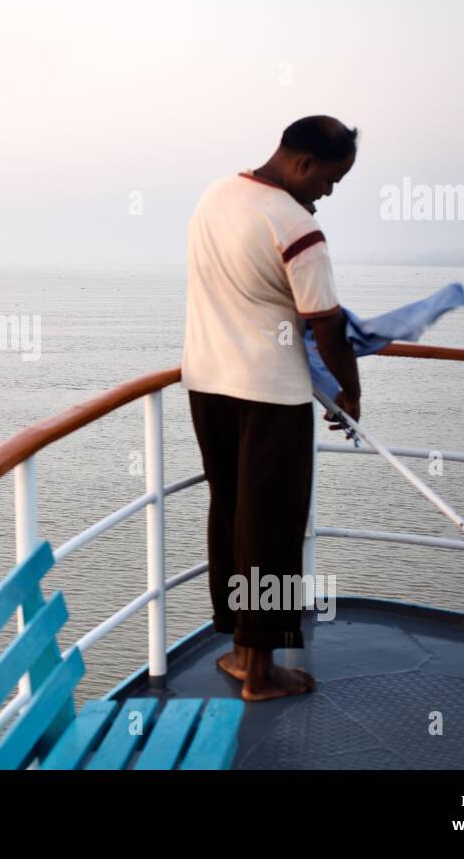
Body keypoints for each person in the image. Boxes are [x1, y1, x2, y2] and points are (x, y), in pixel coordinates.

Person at [181, 115, 362, 701]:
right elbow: (327, 326)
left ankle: (239, 652)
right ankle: (260, 675)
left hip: (208, 385)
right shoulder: (296, 226)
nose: (328, 194)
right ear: (305, 163)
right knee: (273, 532)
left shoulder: (216, 194)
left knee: (233, 519)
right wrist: (349, 391)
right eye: (331, 180)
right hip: (270, 398)